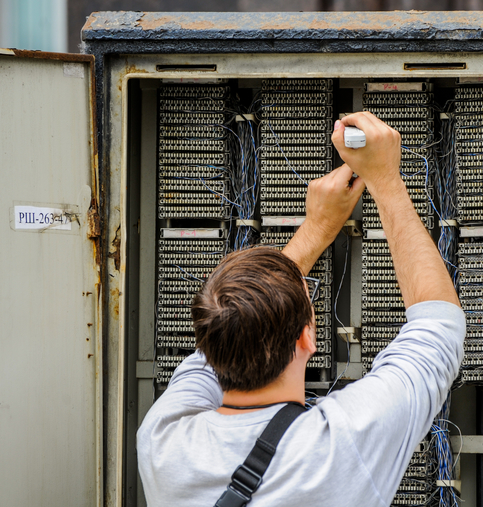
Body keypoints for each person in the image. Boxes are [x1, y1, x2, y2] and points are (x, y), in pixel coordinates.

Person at [137, 112, 466, 507]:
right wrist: (386, 182)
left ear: (209, 341)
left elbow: (231, 325)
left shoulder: (162, 439)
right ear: (307, 337)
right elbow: (438, 326)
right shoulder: (340, 444)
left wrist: (317, 229)